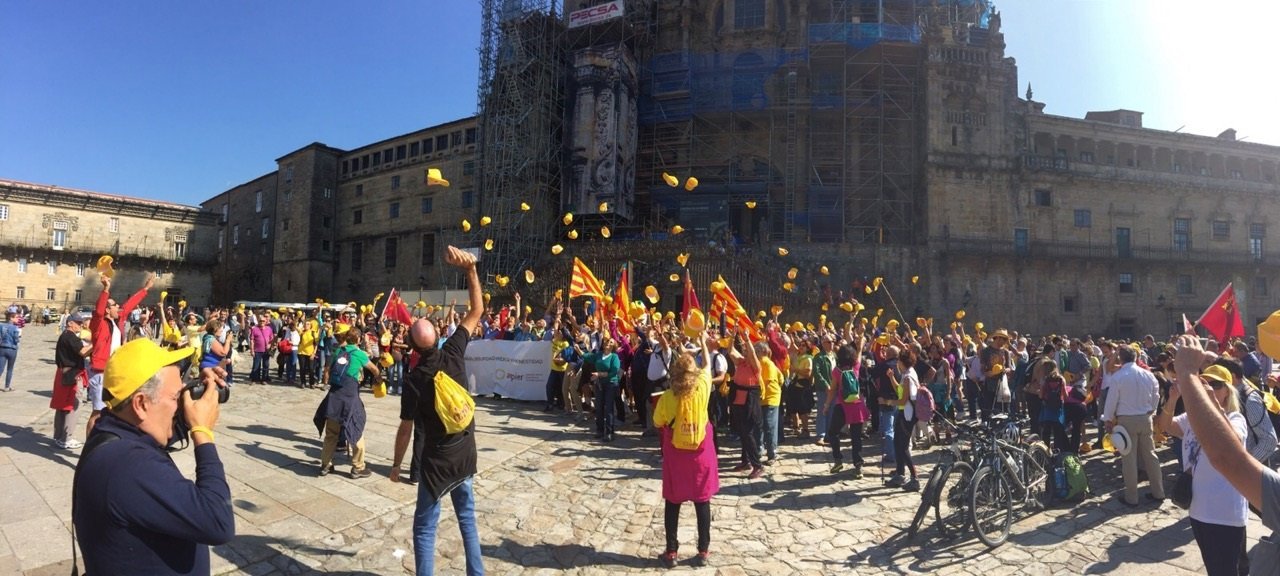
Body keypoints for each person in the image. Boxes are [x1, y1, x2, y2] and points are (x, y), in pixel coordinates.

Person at [72, 338, 234, 575]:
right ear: (140, 403)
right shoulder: (129, 466)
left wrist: (201, 389)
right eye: (174, 397)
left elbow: (154, 428)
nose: (179, 405)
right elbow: (218, 523)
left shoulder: (113, 429)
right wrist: (202, 433)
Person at [390, 245, 484, 576]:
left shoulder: (414, 380)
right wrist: (470, 270)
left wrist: (397, 465)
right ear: (439, 335)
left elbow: (406, 428)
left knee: (425, 529)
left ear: (412, 348)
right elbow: (477, 309)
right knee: (467, 520)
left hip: (436, 463)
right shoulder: (454, 352)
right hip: (465, 452)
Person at [1156, 363, 1246, 576]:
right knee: (1214, 569)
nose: (1209, 388)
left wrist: (1213, 404)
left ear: (1227, 390)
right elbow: (1165, 426)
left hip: (1225, 511)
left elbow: (1233, 440)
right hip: (1198, 509)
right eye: (1204, 383)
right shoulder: (1192, 417)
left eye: (1215, 384)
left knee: (1226, 570)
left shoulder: (1235, 418)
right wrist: (1173, 398)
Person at [654, 330, 719, 568]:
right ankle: (703, 550)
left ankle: (671, 552)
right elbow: (708, 365)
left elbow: (658, 422)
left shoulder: (668, 397)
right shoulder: (702, 387)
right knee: (702, 501)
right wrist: (702, 342)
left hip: (676, 454)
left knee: (673, 501)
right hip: (700, 453)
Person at [86, 273, 154, 436]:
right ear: (108, 310)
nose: (118, 307)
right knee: (98, 413)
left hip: (113, 372)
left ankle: (105, 440)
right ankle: (90, 445)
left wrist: (145, 289)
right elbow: (99, 311)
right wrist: (106, 289)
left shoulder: (118, 321)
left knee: (112, 411)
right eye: (115, 305)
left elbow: (129, 305)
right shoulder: (99, 324)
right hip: (100, 372)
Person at [1101, 345, 1165, 506]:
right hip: (1145, 417)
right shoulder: (1148, 375)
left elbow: (1111, 400)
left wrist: (1108, 419)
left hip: (1126, 420)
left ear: (1121, 359)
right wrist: (1151, 410)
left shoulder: (1119, 376)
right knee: (1150, 455)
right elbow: (1156, 395)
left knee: (1129, 459)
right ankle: (1159, 492)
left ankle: (1132, 497)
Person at [314, 326, 379, 479]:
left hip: (334, 396)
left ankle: (325, 465)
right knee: (356, 429)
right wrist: (378, 380)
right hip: (350, 398)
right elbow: (374, 369)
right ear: (358, 339)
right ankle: (358, 467)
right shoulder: (359, 354)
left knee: (331, 433)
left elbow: (327, 369)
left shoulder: (338, 351)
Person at [826, 338, 870, 477]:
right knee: (856, 437)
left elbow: (833, 390)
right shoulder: (855, 367)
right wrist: (861, 345)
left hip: (842, 405)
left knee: (833, 433)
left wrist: (827, 405)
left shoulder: (836, 372)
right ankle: (858, 466)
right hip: (857, 405)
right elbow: (859, 353)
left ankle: (838, 459)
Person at [51, 312, 92, 449]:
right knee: (73, 406)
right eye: (78, 323)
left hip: (63, 373)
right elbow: (83, 352)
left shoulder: (65, 336)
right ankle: (66, 438)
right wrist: (96, 343)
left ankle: (58, 436)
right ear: (70, 323)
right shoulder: (70, 336)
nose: (81, 325)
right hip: (72, 374)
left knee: (62, 406)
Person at [0, 310, 21, 392]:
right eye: (16, 317)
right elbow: (16, 339)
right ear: (11, 318)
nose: (18, 319)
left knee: (0, 368)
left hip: (2, 348)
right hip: (12, 349)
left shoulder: (1, 326)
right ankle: (7, 387)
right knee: (10, 368)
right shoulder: (15, 328)